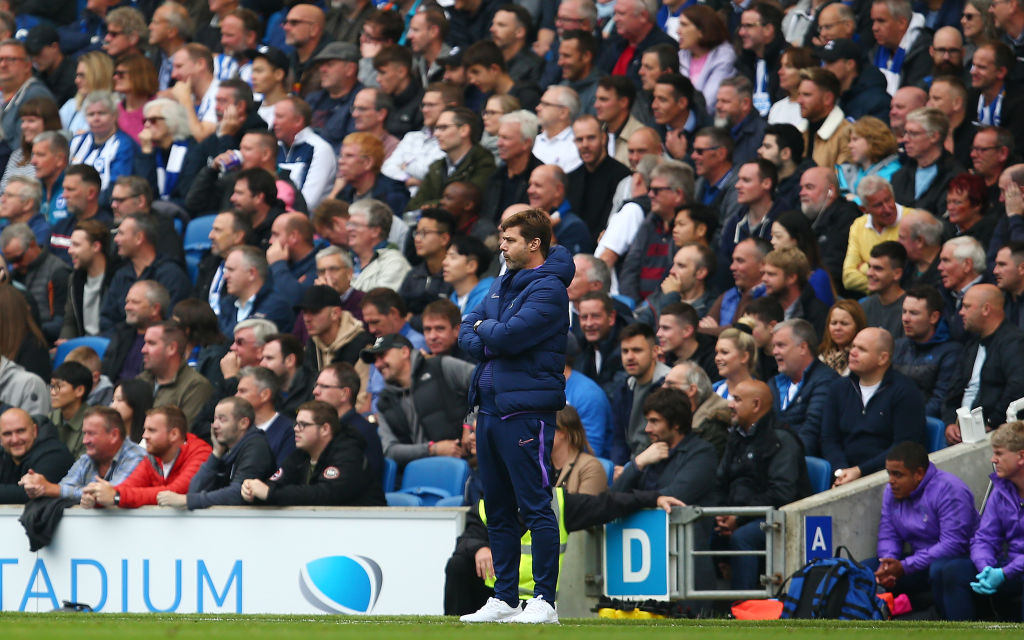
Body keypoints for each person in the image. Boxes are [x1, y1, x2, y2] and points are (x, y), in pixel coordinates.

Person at [458, 208, 572, 624]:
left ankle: (544, 600)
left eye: (508, 240)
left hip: (526, 412)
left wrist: (486, 328)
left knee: (536, 504)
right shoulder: (500, 284)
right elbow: (467, 333)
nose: (501, 246)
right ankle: (504, 598)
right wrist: (489, 330)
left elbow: (506, 335)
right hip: (489, 409)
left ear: (534, 243)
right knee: (499, 508)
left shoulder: (549, 289)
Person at [714, 379, 810, 590]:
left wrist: (738, 519)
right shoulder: (736, 436)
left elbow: (782, 493)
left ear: (756, 405)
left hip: (776, 519)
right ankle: (695, 607)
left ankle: (743, 606)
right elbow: (720, 480)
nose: (730, 404)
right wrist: (722, 515)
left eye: (737, 400)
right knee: (699, 528)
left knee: (742, 539)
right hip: (738, 515)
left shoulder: (781, 439)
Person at [872, 441, 979, 620]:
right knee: (866, 569)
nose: (891, 481)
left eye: (898, 474)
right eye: (889, 474)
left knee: (941, 569)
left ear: (919, 474)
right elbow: (888, 533)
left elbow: (953, 545)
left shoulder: (949, 490)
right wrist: (888, 563)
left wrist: (905, 567)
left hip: (962, 559)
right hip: (919, 562)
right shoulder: (891, 492)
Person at [821, 327, 927, 485]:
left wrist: (860, 471)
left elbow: (903, 446)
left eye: (862, 349)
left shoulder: (905, 392)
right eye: (853, 346)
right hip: (842, 476)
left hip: (886, 478)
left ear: (882, 358)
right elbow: (829, 439)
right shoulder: (839, 388)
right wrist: (841, 471)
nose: (853, 352)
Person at [241, 400, 385, 506]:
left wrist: (269, 494)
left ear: (325, 429)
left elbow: (324, 495)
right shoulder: (300, 455)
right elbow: (275, 484)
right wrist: (253, 491)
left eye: (303, 425)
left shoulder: (349, 455)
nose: (296, 429)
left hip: (364, 531)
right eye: (296, 424)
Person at [366, 333, 475, 466]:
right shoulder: (385, 401)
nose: (377, 364)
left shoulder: (440, 366)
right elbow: (390, 450)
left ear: (404, 352)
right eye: (374, 359)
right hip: (420, 473)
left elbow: (486, 385)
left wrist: (469, 424)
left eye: (382, 356)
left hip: (471, 461)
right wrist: (432, 449)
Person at [155, 397, 276, 510]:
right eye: (214, 419)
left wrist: (187, 500)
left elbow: (238, 493)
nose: (214, 426)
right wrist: (216, 453)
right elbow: (195, 489)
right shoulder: (226, 449)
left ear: (243, 423)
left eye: (222, 419)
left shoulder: (256, 447)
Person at [81, 406, 212, 509]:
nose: (144, 436)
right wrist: (97, 497)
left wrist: (116, 496)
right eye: (145, 430)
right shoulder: (152, 458)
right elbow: (126, 488)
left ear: (174, 434)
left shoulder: (200, 453)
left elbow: (174, 493)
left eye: (151, 430)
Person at [943, 285, 1024, 444]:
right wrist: (949, 422)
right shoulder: (972, 344)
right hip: (962, 433)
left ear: (986, 309)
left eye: (967, 307)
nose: (960, 312)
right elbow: (953, 390)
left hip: (994, 435)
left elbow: (1017, 387)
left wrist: (991, 423)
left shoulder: (1014, 343)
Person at [612, 385, 718, 503]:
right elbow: (612, 498)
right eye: (648, 421)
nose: (647, 429)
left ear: (676, 423)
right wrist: (637, 464)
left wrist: (630, 500)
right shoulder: (649, 452)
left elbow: (674, 496)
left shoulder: (702, 454)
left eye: (654, 421)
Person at [19, 407, 145, 503]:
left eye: (91, 433)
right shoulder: (88, 458)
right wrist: (40, 487)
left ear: (114, 435)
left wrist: (52, 489)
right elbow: (65, 486)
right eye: (84, 433)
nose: (85, 440)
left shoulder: (137, 457)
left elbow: (111, 494)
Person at [962, 421, 1024, 619]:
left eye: (999, 453)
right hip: (1010, 568)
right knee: (950, 570)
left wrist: (1005, 573)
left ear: (1021, 456)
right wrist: (985, 567)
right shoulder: (1001, 491)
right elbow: (984, 538)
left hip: (1014, 569)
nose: (993, 459)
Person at [893, 285, 963, 419]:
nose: (905, 318)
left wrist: (910, 420)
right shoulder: (897, 346)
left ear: (934, 317)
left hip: (924, 423)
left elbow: (940, 400)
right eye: (904, 311)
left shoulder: (950, 352)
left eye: (913, 313)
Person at [770, 319, 838, 457]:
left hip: (800, 463)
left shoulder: (826, 381)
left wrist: (781, 460)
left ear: (802, 348)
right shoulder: (773, 383)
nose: (774, 352)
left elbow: (812, 433)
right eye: (774, 346)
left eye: (781, 345)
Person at [607, 323, 671, 465]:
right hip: (632, 465)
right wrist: (618, 467)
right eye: (625, 351)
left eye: (637, 350)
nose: (629, 357)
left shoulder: (669, 385)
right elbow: (619, 440)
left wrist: (631, 469)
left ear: (655, 351)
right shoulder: (623, 389)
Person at [137, 321, 215, 429]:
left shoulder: (195, 387)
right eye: (145, 343)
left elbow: (183, 434)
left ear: (172, 348)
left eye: (151, 343)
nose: (143, 349)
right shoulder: (141, 380)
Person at [0, 222, 69, 342]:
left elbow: (61, 324)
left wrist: (27, 329)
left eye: (18, 258)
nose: (14, 265)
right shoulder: (13, 275)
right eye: (10, 261)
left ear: (32, 245)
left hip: (44, 341)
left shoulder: (58, 272)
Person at [892, 107, 963, 215]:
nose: (905, 139)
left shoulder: (956, 177)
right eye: (905, 133)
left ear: (934, 136)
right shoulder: (900, 176)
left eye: (913, 133)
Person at [843, 177, 904, 297]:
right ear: (864, 209)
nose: (888, 208)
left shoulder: (911, 220)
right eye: (878, 205)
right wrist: (884, 283)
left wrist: (864, 268)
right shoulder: (858, 225)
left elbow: (904, 275)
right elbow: (848, 278)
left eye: (889, 200)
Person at [217, 245, 294, 337]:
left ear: (251, 273)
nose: (225, 276)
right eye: (226, 270)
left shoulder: (276, 306)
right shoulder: (227, 304)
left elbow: (249, 342)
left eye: (231, 270)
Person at [0, 408, 73, 504]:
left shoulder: (54, 454)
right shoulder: (4, 454)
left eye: (21, 431)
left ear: (34, 431)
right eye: (7, 434)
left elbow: (31, 493)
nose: (15, 439)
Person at [817, 38, 891, 123]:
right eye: (824, 62)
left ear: (849, 64)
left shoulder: (877, 102)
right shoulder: (834, 97)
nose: (824, 68)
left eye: (830, 62)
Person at [235, 366, 296, 467]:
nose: (236, 396)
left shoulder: (288, 431)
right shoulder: (239, 428)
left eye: (243, 391)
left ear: (265, 395)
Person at [796, 68, 851, 169]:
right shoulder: (799, 133)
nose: (799, 100)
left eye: (806, 95)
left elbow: (843, 181)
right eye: (799, 94)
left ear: (828, 98)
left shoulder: (847, 134)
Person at [837, 116, 902, 202]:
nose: (849, 145)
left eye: (855, 140)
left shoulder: (893, 173)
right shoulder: (849, 171)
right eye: (850, 140)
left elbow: (882, 204)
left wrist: (855, 200)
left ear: (873, 140)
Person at [551, 405, 607, 495]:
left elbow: (586, 507)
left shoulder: (591, 468)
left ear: (562, 432)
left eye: (544, 428)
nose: (537, 433)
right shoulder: (539, 466)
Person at [862, 241, 908, 338]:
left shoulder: (910, 310)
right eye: (869, 267)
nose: (869, 273)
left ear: (897, 274)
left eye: (878, 268)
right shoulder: (864, 307)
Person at [47, 361, 92, 459]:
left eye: (59, 386)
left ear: (79, 390)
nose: (53, 392)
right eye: (52, 386)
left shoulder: (94, 423)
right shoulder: (49, 418)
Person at [444, 235, 495, 318]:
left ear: (471, 266)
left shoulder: (489, 299)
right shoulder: (451, 302)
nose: (444, 262)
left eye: (452, 257)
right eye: (446, 257)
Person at [818, 299, 868, 377]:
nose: (838, 328)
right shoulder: (820, 357)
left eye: (844, 323)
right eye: (834, 323)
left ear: (857, 326)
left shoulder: (864, 360)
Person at [768, 46, 815, 129]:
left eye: (788, 66)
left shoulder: (813, 106)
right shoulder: (777, 108)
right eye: (781, 66)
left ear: (804, 70)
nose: (780, 72)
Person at [110, 378, 153, 444]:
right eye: (113, 400)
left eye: (119, 400)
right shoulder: (110, 436)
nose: (113, 406)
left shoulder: (147, 441)